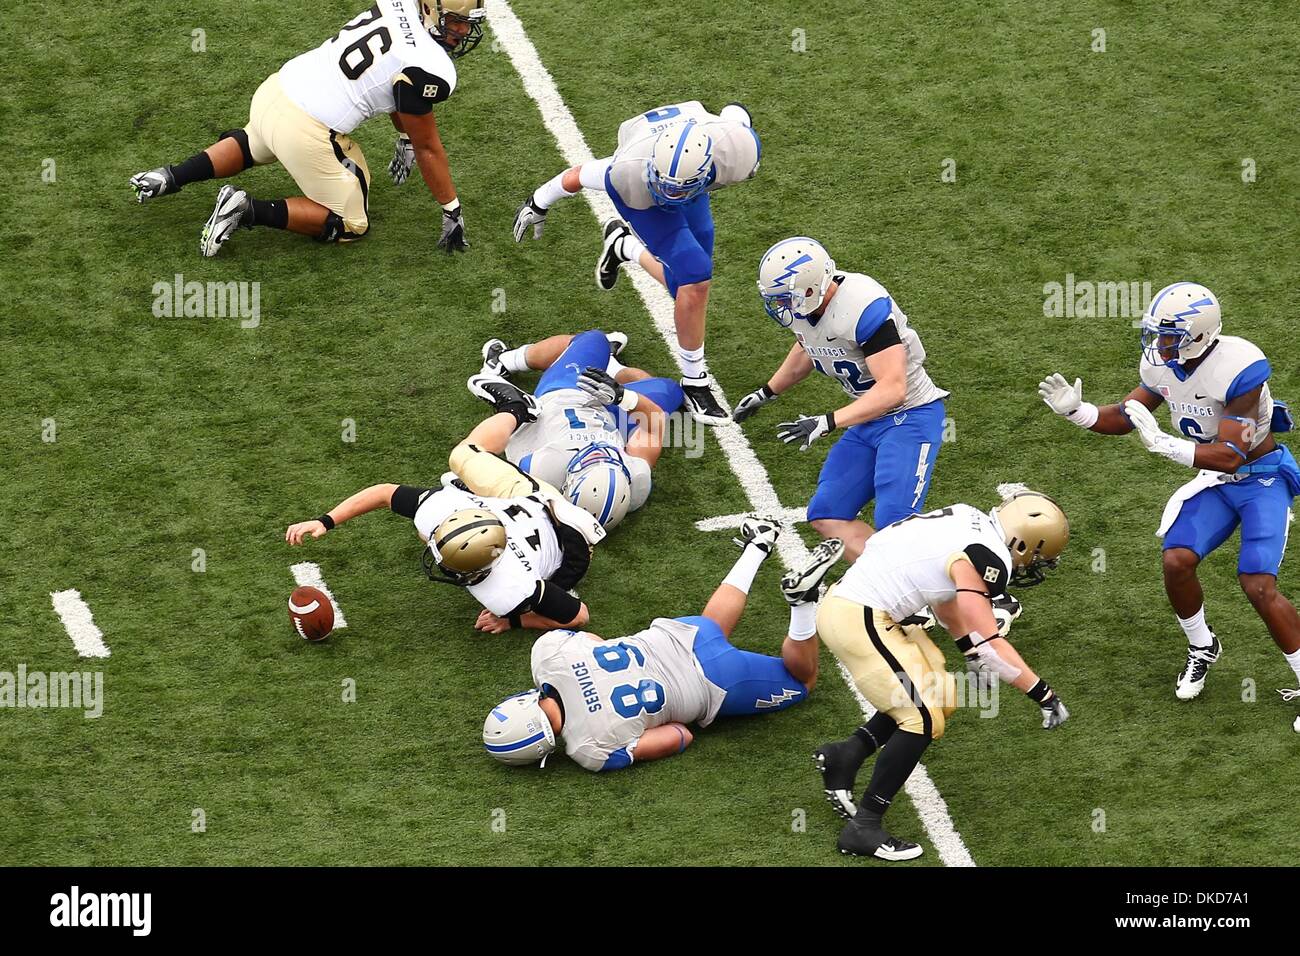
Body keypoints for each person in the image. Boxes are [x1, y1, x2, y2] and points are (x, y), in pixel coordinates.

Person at [1039, 281, 1300, 714]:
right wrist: (1077, 412)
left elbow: (1232, 456)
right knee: (1176, 559)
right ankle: (1203, 645)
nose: (1159, 344)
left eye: (1169, 335)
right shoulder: (1164, 364)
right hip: (1215, 482)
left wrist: (1164, 445)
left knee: (1257, 584)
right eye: (1157, 333)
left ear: (1199, 335)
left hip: (1260, 480)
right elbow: (1127, 416)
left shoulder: (1240, 369)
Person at [813, 493, 1070, 860]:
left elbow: (946, 599)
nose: (1035, 564)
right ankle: (864, 826)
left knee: (941, 696)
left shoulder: (969, 518)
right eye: (1039, 556)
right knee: (920, 717)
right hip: (860, 617)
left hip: (863, 609)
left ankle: (846, 755)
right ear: (1024, 541)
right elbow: (991, 641)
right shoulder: (989, 556)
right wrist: (1042, 694)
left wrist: (969, 652)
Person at [483, 518, 844, 770]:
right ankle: (758, 545)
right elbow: (592, 640)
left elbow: (679, 735)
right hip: (678, 632)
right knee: (711, 627)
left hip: (714, 682)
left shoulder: (589, 750)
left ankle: (803, 604)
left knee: (803, 682)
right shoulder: (546, 655)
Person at [130, 0, 482, 256]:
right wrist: (451, 207)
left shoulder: (397, 6)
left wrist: (403, 134)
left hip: (277, 89)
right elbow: (429, 147)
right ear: (430, 11)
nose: (463, 31)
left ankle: (168, 177)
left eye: (468, 23)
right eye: (456, 22)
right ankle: (246, 209)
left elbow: (397, 86)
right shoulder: (432, 66)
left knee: (255, 142)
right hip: (307, 128)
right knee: (351, 223)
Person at [511, 100, 761, 425]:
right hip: (643, 197)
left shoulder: (738, 152)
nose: (668, 195)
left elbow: (735, 118)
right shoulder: (629, 171)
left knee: (687, 285)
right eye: (665, 184)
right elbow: (578, 176)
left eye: (677, 189)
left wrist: (734, 117)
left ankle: (624, 246)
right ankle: (695, 382)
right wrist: (539, 202)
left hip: (692, 182)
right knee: (695, 277)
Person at [734, 237, 949, 563]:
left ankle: (966, 584)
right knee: (826, 514)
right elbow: (810, 344)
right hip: (868, 417)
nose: (781, 307)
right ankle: (894, 582)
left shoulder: (861, 305)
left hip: (910, 415)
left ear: (809, 288)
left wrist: (827, 421)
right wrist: (767, 391)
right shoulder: (810, 305)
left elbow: (893, 388)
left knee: (895, 525)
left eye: (785, 298)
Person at [284, 440, 605, 634]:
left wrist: (515, 622)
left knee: (531, 601)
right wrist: (326, 521)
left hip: (570, 535)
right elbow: (383, 493)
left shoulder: (508, 591)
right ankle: (515, 411)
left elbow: (579, 615)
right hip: (526, 499)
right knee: (462, 454)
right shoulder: (445, 509)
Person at [467, 329, 684, 528]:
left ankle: (503, 361)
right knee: (670, 390)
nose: (598, 451)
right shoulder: (637, 480)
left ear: (568, 483)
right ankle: (611, 368)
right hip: (607, 415)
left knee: (594, 339)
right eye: (610, 459)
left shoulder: (541, 471)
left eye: (590, 459)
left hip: (563, 396)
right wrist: (622, 397)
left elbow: (497, 449)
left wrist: (514, 409)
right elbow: (654, 423)